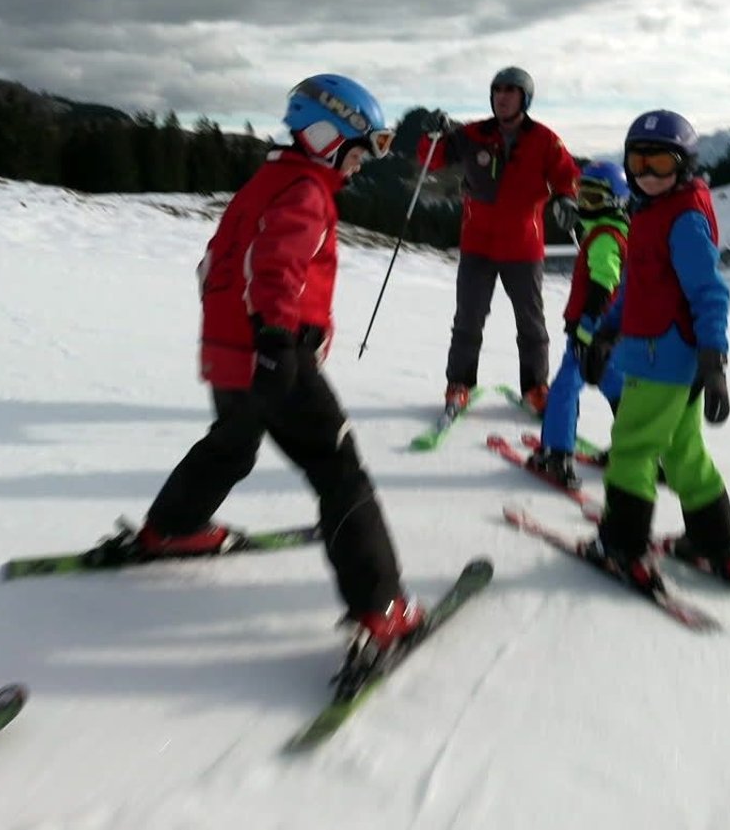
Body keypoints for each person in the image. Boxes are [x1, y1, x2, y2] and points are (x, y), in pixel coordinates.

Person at [125, 74, 425, 671]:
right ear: (326, 134)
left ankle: (173, 527)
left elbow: (215, 263)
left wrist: (237, 342)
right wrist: (276, 340)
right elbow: (275, 267)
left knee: (233, 444)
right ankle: (380, 607)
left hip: (229, 355)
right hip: (274, 359)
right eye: (361, 148)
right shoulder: (307, 192)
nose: (362, 163)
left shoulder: (267, 180)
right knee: (338, 471)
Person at [578, 110, 730, 591]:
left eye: (659, 164)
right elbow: (640, 286)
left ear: (685, 165)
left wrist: (714, 360)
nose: (646, 175)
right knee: (684, 454)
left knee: (633, 449)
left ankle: (622, 545)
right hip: (664, 353)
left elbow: (711, 292)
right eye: (637, 164)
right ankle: (712, 542)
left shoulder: (682, 221)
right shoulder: (652, 214)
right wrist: (607, 330)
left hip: (665, 358)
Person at [415, 66, 580, 416]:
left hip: (523, 246)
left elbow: (567, 176)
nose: (502, 96)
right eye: (497, 90)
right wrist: (431, 136)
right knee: (468, 319)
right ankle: (459, 384)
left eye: (511, 91)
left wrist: (567, 198)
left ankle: (535, 388)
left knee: (531, 322)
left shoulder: (545, 139)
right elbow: (432, 160)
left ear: (525, 98)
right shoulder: (473, 134)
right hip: (478, 244)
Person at [525, 161, 629, 490]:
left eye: (594, 200)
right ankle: (639, 449)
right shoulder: (615, 231)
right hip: (612, 333)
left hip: (592, 330)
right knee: (614, 383)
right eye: (582, 197)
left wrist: (586, 327)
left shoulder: (605, 239)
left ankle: (557, 455)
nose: (585, 205)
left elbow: (604, 282)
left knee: (565, 388)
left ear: (615, 201)